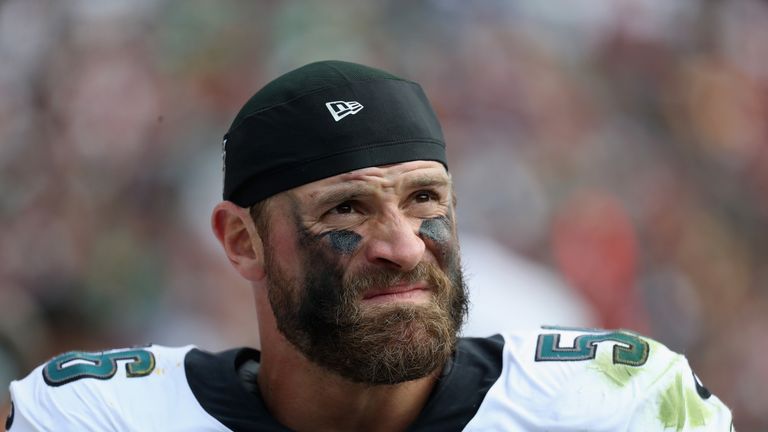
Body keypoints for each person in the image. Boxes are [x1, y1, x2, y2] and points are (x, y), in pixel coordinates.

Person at [6, 60, 733, 431]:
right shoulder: (96, 415)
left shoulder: (617, 407)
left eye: (424, 200)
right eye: (346, 208)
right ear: (242, 241)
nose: (404, 247)